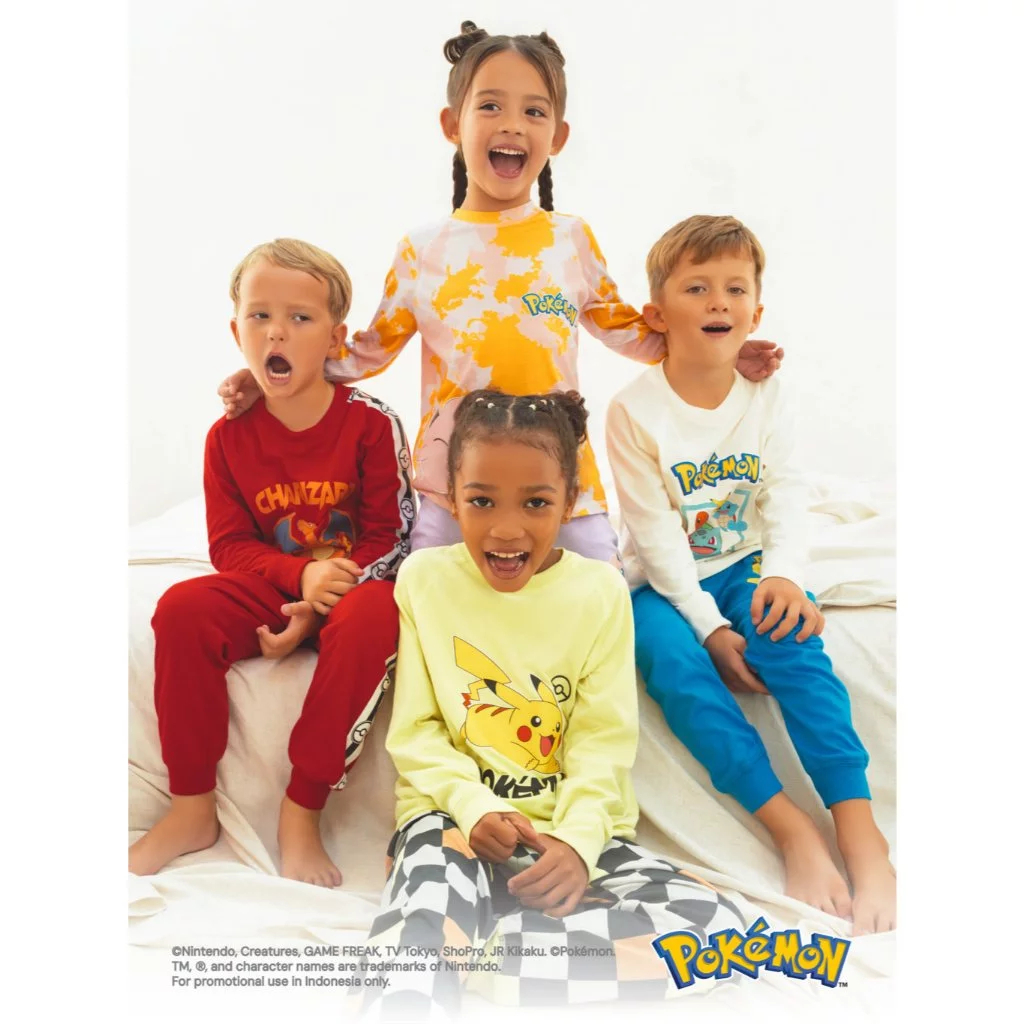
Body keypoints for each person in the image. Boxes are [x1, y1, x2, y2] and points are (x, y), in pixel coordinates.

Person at [217, 20, 782, 562]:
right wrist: (275, 375)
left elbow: (636, 334)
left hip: (560, 479)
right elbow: (364, 354)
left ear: (557, 137)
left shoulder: (571, 240)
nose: (512, 124)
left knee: (605, 598)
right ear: (451, 125)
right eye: (490, 105)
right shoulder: (422, 250)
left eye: (534, 111)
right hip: (453, 486)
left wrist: (719, 351)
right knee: (421, 600)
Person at [354, 388, 745, 1019]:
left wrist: (577, 847)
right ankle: (443, 949)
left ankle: (486, 958)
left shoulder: (600, 592)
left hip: (568, 835)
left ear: (569, 501)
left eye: (536, 503)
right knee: (423, 914)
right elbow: (417, 732)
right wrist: (473, 807)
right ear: (451, 497)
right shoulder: (424, 579)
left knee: (718, 933)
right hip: (453, 822)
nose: (507, 529)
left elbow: (602, 743)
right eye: (482, 501)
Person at [605, 215, 896, 935]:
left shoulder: (767, 394)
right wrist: (708, 631)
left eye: (735, 289)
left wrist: (787, 576)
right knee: (671, 663)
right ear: (656, 313)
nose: (718, 302)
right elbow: (657, 538)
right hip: (661, 581)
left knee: (791, 639)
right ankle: (791, 828)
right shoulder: (632, 412)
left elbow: (785, 494)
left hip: (747, 562)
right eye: (696, 287)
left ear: (756, 312)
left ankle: (859, 830)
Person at [128, 239, 413, 887]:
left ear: (335, 338)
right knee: (181, 609)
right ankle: (191, 809)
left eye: (300, 318)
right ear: (237, 332)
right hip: (275, 584)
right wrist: (299, 580)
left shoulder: (371, 424)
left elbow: (393, 535)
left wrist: (319, 602)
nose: (276, 331)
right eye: (259, 316)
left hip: (354, 590)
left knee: (376, 618)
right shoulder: (227, 437)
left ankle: (301, 810)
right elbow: (229, 547)